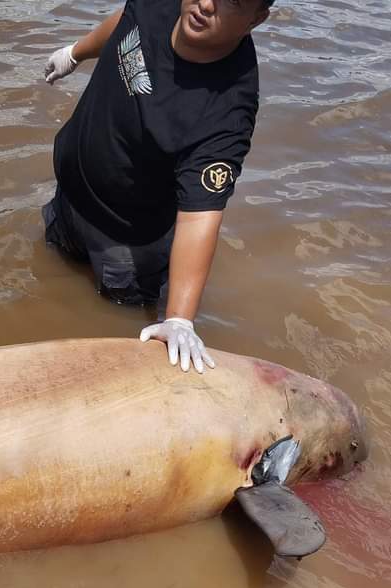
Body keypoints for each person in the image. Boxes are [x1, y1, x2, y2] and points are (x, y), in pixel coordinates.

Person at [42, 0, 271, 373]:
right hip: (68, 200)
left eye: (231, 1)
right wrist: (76, 52)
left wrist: (180, 318)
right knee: (47, 280)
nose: (207, 4)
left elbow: (201, 216)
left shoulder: (227, 109)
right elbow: (128, 20)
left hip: (123, 249)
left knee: (105, 331)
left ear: (256, 19)